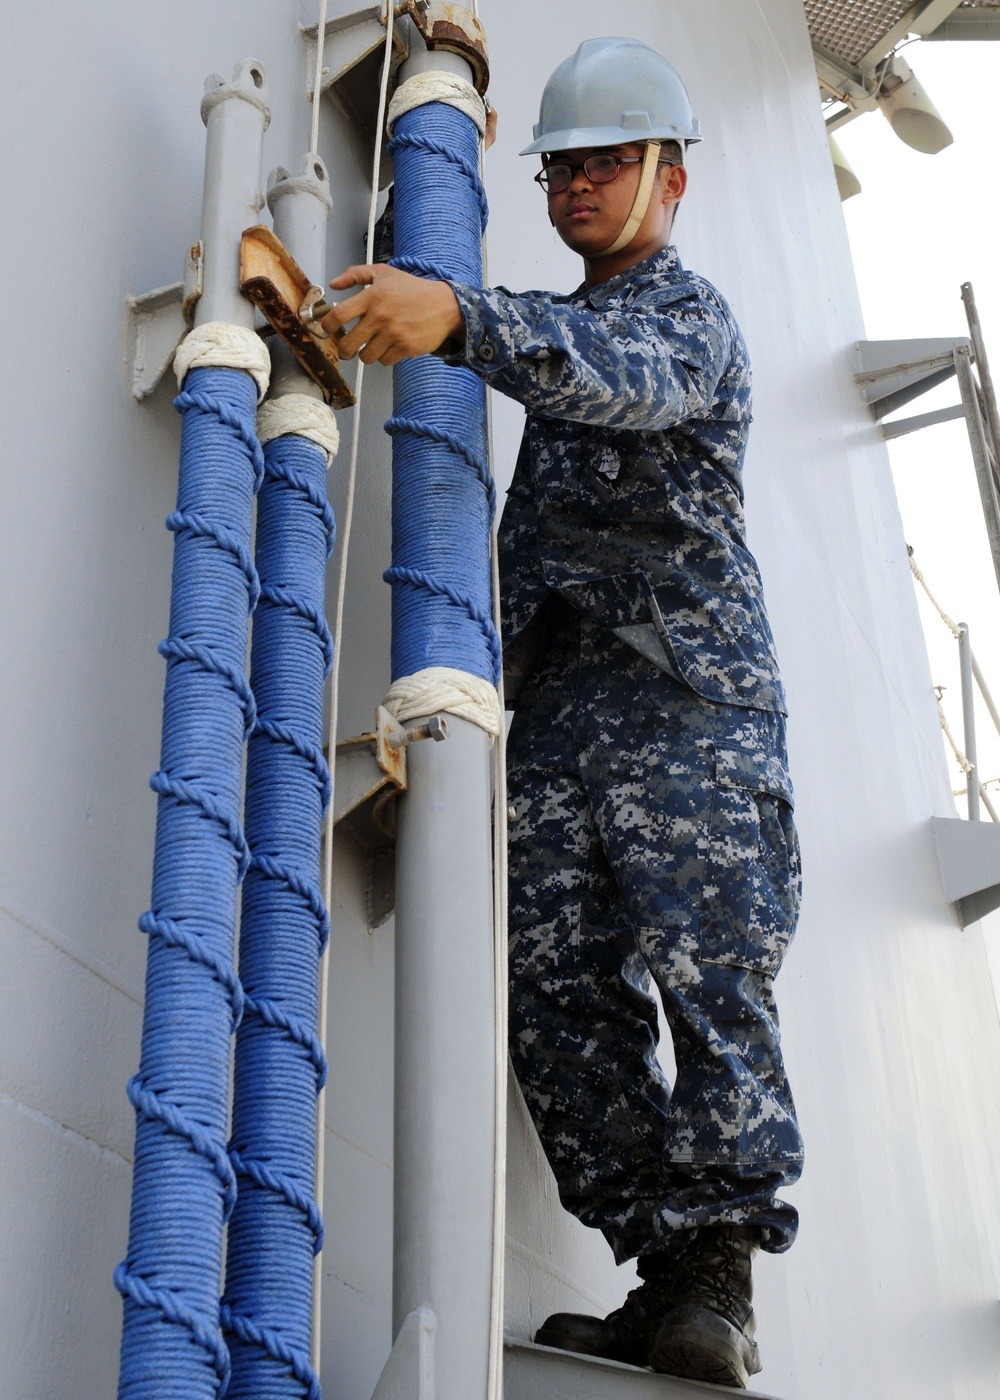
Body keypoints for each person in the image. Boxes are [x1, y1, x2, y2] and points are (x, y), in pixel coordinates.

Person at [321, 36, 803, 1391]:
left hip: (685, 710)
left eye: (607, 164)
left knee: (711, 973)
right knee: (550, 999)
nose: (580, 185)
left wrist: (458, 317)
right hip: (566, 723)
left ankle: (721, 1271)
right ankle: (662, 1268)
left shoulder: (683, 320)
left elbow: (618, 376)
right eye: (562, 168)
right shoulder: (571, 334)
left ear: (671, 177)